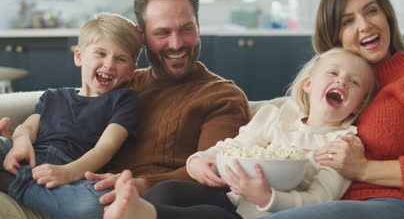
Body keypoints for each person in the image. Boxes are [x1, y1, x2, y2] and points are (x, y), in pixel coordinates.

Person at [0, 0, 250, 218]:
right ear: (141, 36)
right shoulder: (121, 81)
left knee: (164, 193)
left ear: (198, 27)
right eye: (162, 33)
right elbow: (67, 124)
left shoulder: (221, 97)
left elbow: (213, 173)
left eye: (186, 30)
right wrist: (13, 138)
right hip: (82, 187)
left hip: (155, 201)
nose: (176, 44)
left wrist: (142, 184)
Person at [261, 0, 404, 219]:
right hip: (321, 202)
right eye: (347, 21)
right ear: (334, 36)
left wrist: (363, 169)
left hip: (402, 205)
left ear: (387, 16)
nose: (364, 25)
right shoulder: (324, 84)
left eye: (371, 11)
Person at [101, 47, 378, 219]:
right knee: (170, 190)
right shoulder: (275, 116)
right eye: (332, 73)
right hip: (231, 197)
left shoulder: (343, 145)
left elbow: (320, 199)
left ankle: (143, 214)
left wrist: (267, 197)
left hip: (262, 212)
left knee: (207, 216)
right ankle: (140, 211)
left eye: (354, 82)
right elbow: (236, 145)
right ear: (308, 85)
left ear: (359, 104)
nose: (341, 81)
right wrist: (198, 160)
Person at [0, 12, 142, 218]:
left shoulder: (124, 100)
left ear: (130, 71)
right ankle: (23, 184)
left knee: (98, 203)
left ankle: (14, 184)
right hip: (29, 158)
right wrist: (21, 142)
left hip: (73, 174)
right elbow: (27, 127)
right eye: (101, 53)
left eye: (120, 59)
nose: (109, 64)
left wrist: (67, 173)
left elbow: (105, 149)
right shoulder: (53, 96)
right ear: (79, 56)